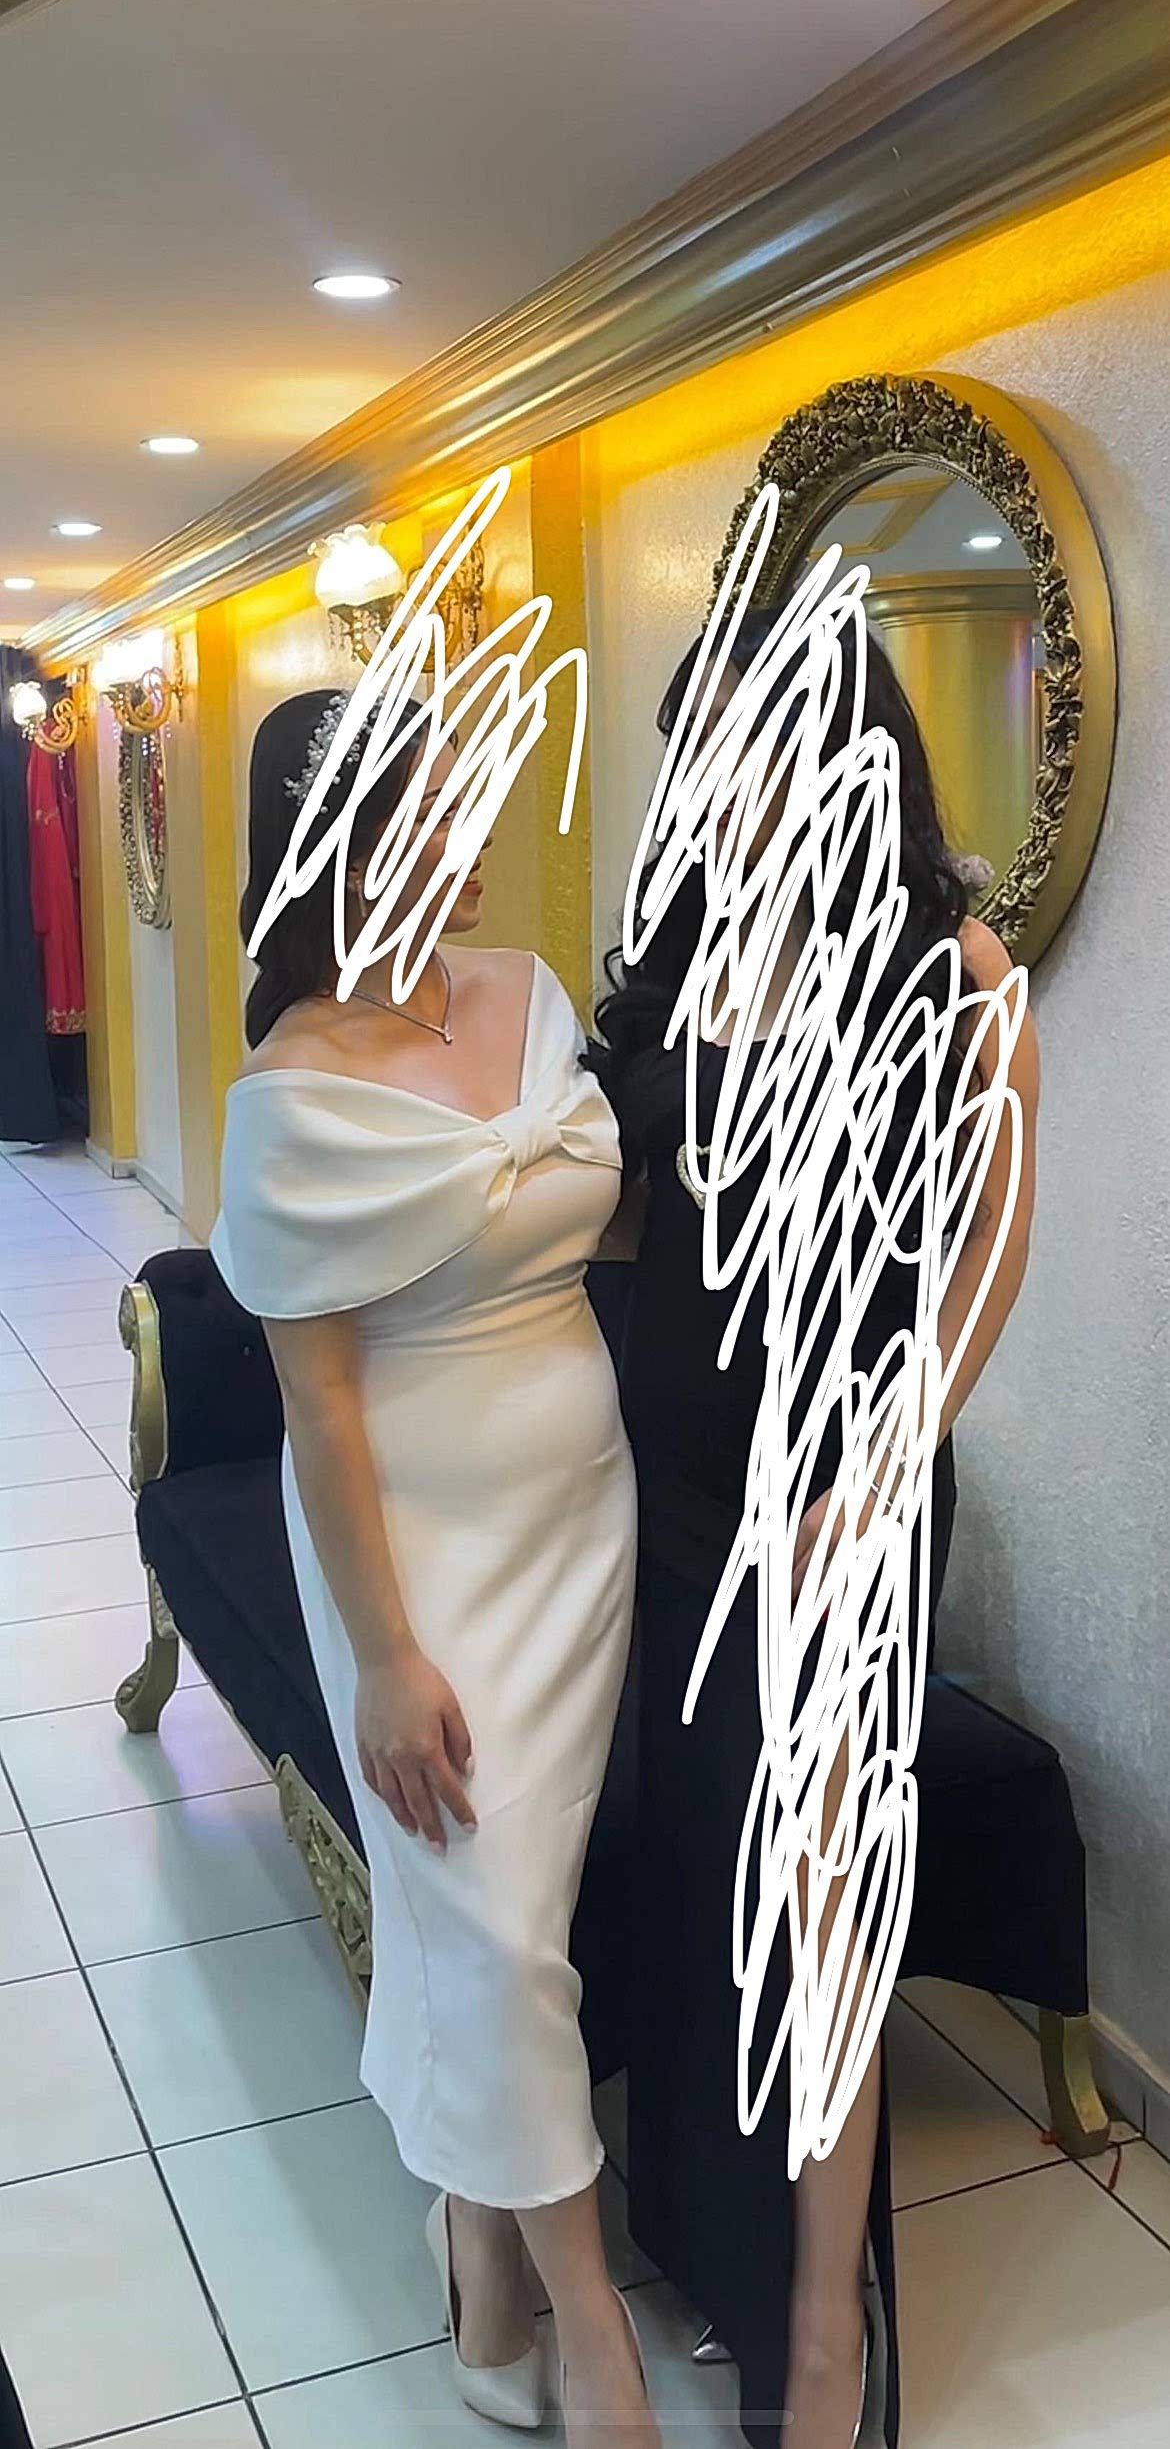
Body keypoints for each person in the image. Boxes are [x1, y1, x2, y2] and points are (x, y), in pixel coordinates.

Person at [590, 610, 1039, 2449]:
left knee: (818, 1911)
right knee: (700, 1876)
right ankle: (709, 2242)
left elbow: (988, 1241)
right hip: (663, 1490)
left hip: (841, 1493)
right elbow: (628, 1228)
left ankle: (822, 2334)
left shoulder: (953, 967)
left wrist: (889, 1458)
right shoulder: (675, 954)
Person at [211, 689, 657, 2448]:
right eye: (429, 812)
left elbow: (612, 1218)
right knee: (494, 1925)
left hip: (579, 1522)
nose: (468, 840)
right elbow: (317, 1409)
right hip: (418, 1564)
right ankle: (595, 2329)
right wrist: (386, 1656)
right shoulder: (287, 1088)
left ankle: (479, 2247)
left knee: (505, 1920)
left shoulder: (525, 992)